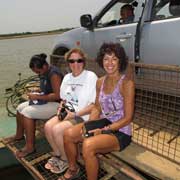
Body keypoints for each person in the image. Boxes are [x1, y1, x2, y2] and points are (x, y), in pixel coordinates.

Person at [59, 42, 135, 180]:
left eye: (114, 59)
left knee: (88, 146)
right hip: (105, 122)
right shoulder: (100, 82)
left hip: (121, 130)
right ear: (101, 61)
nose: (110, 63)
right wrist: (89, 125)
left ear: (120, 61)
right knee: (68, 134)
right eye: (106, 59)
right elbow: (97, 107)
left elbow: (128, 118)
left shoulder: (127, 83)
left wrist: (105, 130)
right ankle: (73, 168)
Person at [44, 48, 98, 174]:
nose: (75, 64)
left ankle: (66, 160)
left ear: (83, 62)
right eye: (72, 61)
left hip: (82, 115)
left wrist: (74, 114)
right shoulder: (67, 77)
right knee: (48, 126)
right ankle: (58, 154)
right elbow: (63, 99)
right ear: (68, 63)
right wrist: (61, 108)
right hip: (67, 112)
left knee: (57, 130)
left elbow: (94, 105)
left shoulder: (91, 77)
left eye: (79, 61)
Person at [6, 53, 63, 158]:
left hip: (58, 105)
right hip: (48, 101)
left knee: (27, 112)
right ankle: (19, 136)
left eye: (38, 71)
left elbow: (58, 95)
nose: (38, 73)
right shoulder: (44, 72)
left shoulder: (54, 74)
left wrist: (38, 97)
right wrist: (38, 90)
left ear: (45, 66)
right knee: (20, 108)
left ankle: (30, 147)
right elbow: (47, 89)